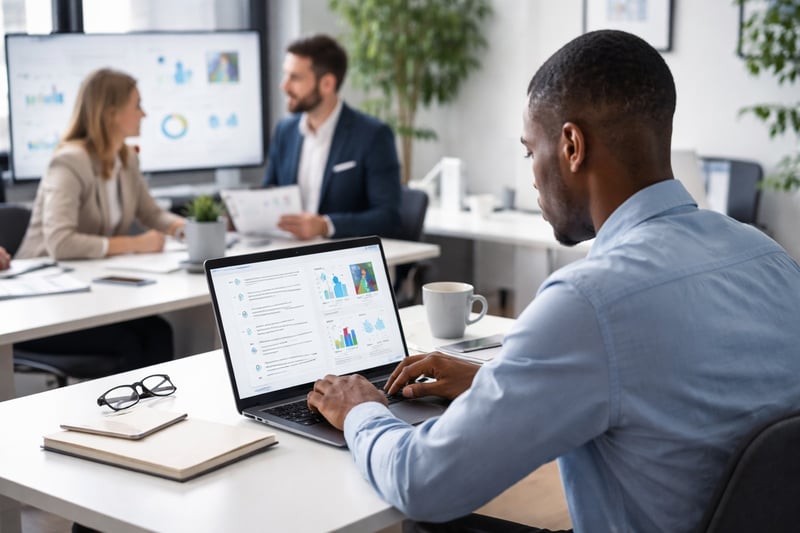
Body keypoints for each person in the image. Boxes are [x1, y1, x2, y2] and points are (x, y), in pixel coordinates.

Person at [306, 30, 800, 532]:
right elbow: (673, 389)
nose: (533, 175)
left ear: (571, 145)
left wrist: (362, 410)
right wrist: (496, 384)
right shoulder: (768, 257)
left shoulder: (589, 302)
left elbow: (422, 484)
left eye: (529, 151)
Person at [14, 68, 184, 372]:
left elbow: (150, 213)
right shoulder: (69, 160)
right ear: (111, 113)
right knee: (129, 343)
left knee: (160, 331)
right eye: (137, 105)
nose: (143, 114)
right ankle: (129, 417)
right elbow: (61, 243)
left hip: (91, 292)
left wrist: (183, 228)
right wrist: (135, 243)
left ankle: (158, 415)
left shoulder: (125, 157)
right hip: (45, 303)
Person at [262, 34, 401, 240]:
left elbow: (388, 217)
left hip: (340, 256)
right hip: (287, 252)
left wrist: (325, 226)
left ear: (327, 84)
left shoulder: (373, 136)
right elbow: (269, 193)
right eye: (285, 75)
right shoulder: (285, 131)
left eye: (295, 78)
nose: (284, 86)